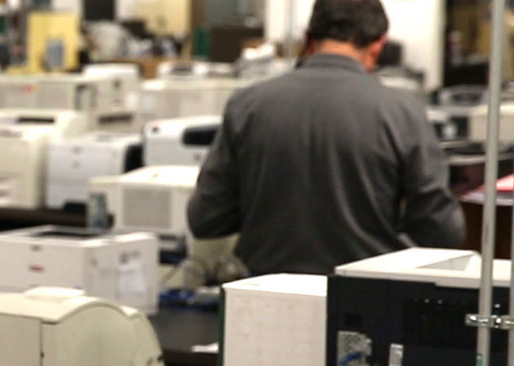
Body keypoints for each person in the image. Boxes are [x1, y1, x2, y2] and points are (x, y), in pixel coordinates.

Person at [187, 0, 464, 275]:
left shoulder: (247, 104)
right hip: (366, 301)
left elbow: (205, 219)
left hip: (266, 297)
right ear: (378, 45)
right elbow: (442, 233)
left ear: (309, 39)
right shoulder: (402, 111)